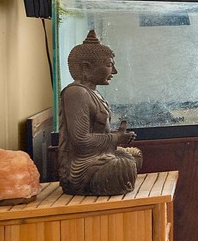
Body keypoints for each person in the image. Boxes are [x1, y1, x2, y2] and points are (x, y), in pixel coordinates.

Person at [58, 29, 143, 195]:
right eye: (109, 65)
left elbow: (95, 132)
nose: (114, 71)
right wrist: (116, 138)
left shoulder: (92, 92)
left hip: (98, 154)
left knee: (135, 155)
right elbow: (80, 140)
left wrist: (116, 137)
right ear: (86, 68)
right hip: (80, 164)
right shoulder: (76, 93)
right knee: (123, 166)